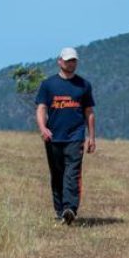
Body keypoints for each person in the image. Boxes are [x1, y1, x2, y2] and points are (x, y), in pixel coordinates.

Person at [36, 47, 96, 224]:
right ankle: (60, 209)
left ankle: (70, 208)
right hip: (53, 137)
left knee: (72, 172)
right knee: (57, 174)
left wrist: (91, 137)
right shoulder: (48, 85)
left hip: (75, 136)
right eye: (68, 60)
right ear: (59, 61)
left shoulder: (83, 85)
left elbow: (89, 112)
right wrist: (42, 128)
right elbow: (41, 108)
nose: (71, 64)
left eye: (74, 61)